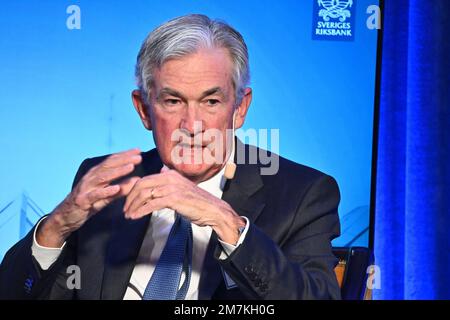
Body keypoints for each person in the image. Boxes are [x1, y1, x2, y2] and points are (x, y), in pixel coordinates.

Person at [0, 14, 341, 300]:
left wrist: (227, 224)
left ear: (240, 108)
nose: (192, 126)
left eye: (211, 102)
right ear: (144, 109)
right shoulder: (107, 182)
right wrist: (57, 226)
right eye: (173, 101)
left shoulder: (303, 194)